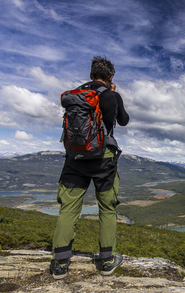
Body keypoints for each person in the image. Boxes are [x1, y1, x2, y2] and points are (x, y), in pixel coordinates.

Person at [50, 56, 130, 279]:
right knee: (107, 208)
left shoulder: (75, 95)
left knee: (68, 208)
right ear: (111, 77)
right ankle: (106, 261)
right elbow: (123, 120)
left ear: (90, 74)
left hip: (75, 159)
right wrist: (113, 94)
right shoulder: (110, 96)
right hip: (103, 159)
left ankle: (60, 263)